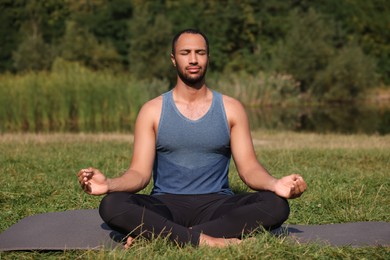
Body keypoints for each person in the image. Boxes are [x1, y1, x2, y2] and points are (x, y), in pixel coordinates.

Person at [77, 28, 307, 248]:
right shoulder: (152, 110)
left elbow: (249, 169)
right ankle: (204, 240)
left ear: (208, 57)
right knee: (112, 204)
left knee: (275, 205)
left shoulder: (231, 109)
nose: (194, 59)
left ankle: (165, 236)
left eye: (200, 52)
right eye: (185, 53)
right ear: (173, 59)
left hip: (217, 205)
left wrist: (275, 184)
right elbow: (139, 174)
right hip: (164, 205)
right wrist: (109, 185)